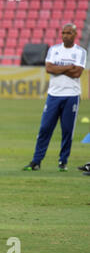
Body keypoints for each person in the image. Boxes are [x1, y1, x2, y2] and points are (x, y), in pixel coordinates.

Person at [23, 23, 87, 172]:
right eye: (63, 33)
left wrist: (58, 69)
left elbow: (77, 73)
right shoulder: (54, 50)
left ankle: (63, 162)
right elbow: (49, 68)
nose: (65, 35)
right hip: (53, 95)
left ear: (75, 35)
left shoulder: (80, 52)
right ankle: (36, 161)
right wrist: (68, 68)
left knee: (67, 130)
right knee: (45, 128)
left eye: (69, 33)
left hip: (71, 95)